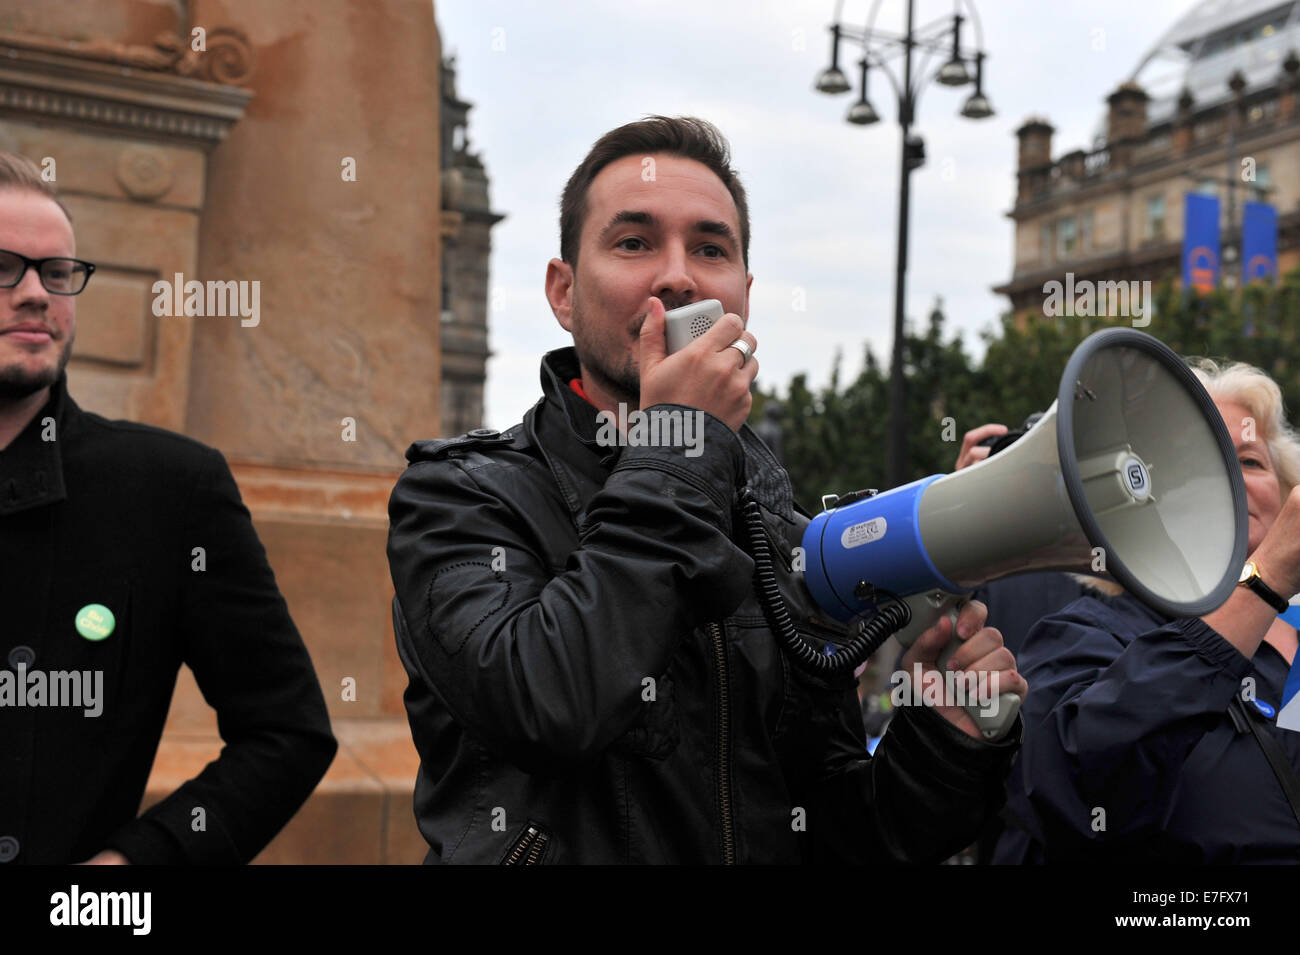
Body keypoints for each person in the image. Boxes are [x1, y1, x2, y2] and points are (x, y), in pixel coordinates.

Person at [388, 115, 1026, 864]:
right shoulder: (459, 496)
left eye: (710, 249)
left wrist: (939, 744)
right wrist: (680, 443)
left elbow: (842, 835)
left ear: (742, 297)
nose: (677, 275)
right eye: (634, 242)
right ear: (563, 293)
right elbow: (550, 704)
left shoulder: (776, 532)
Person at [0, 153, 337, 865]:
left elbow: (288, 732)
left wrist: (130, 873)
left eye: (56, 273)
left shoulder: (167, 488)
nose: (36, 294)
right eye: (4, 267)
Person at [993, 357, 1300, 863]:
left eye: (1250, 461)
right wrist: (1262, 586)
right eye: (1202, 460)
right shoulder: (1086, 634)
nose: (1231, 480)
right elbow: (1071, 789)